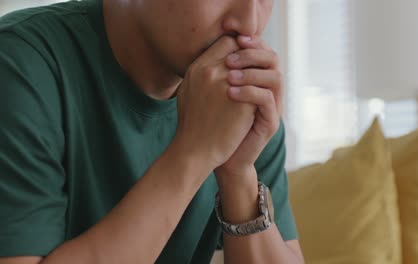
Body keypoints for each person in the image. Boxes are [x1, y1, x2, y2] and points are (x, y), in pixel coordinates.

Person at [0, 0, 304, 263]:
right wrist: (194, 153)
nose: (249, 24)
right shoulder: (19, 67)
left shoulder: (241, 95)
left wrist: (238, 174)